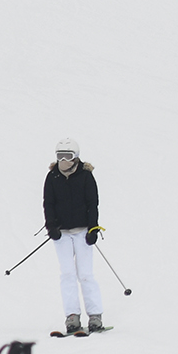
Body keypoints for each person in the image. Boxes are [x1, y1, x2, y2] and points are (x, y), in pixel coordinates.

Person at [44, 138, 108, 336]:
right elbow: (48, 203)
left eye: (68, 156)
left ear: (76, 157)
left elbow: (92, 203)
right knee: (67, 275)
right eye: (60, 156)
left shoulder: (86, 176)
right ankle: (72, 317)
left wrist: (93, 228)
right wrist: (51, 226)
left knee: (86, 274)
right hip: (62, 234)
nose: (64, 160)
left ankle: (95, 316)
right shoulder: (52, 176)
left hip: (82, 232)